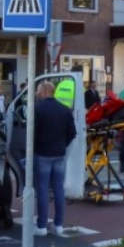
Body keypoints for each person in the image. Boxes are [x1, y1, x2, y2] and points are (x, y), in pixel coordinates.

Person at [32, 79, 77, 237]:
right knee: (58, 189)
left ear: (44, 91)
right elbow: (72, 132)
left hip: (42, 153)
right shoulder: (64, 109)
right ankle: (58, 225)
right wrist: (63, 144)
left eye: (38, 90)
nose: (37, 93)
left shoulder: (38, 108)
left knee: (43, 189)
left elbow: (32, 132)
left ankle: (42, 226)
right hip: (59, 153)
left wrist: (35, 147)